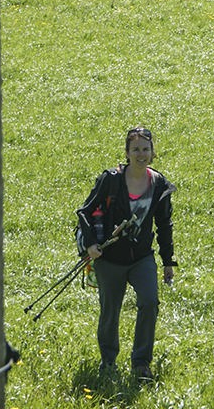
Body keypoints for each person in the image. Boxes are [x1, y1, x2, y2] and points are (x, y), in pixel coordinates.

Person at [76, 127, 177, 381]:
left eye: (146, 149)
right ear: (127, 153)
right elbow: (85, 211)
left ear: (153, 153)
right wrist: (90, 245)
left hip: (141, 257)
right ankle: (108, 362)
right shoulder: (110, 179)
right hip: (109, 259)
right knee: (110, 311)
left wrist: (167, 261)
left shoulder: (159, 184)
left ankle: (141, 362)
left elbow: (164, 225)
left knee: (149, 302)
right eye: (136, 150)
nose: (141, 154)